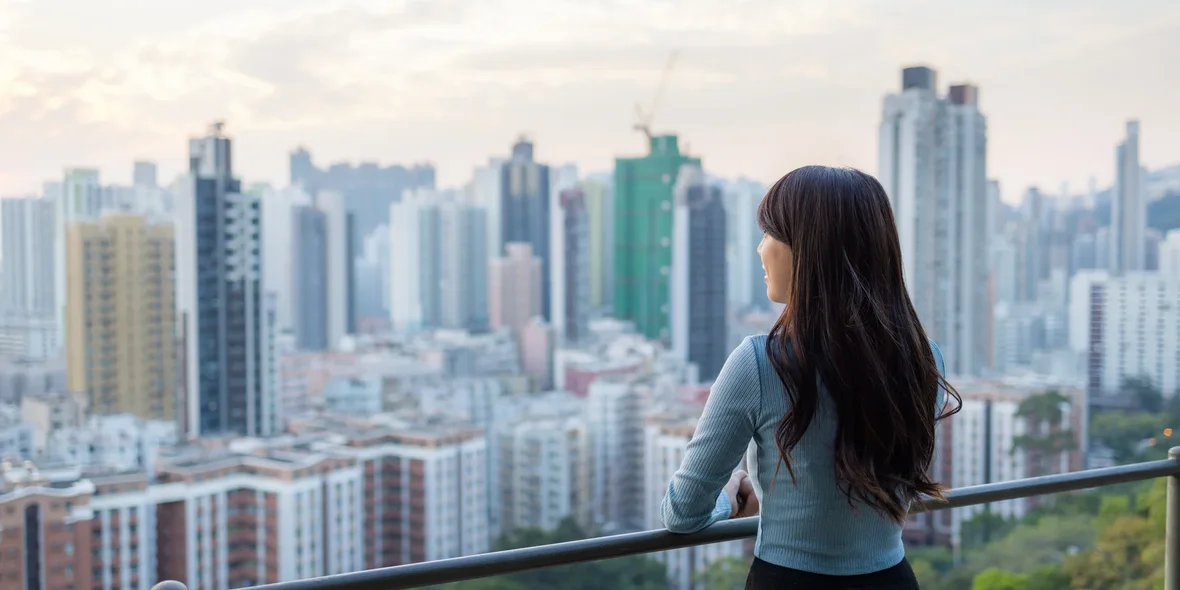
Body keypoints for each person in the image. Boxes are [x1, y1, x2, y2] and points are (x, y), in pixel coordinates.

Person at [660, 165, 960, 589]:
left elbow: (682, 512)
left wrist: (731, 495)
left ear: (807, 249)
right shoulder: (924, 360)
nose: (761, 249)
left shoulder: (759, 363)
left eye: (770, 234)